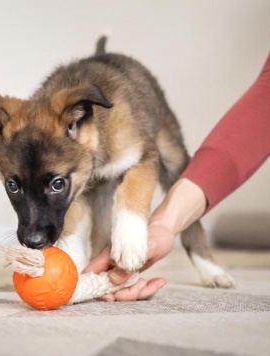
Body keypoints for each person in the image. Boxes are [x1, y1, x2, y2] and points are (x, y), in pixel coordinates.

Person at [83, 52, 270, 302]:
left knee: (176, 163)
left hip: (149, 113)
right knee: (102, 187)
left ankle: (200, 252)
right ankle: (98, 257)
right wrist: (163, 225)